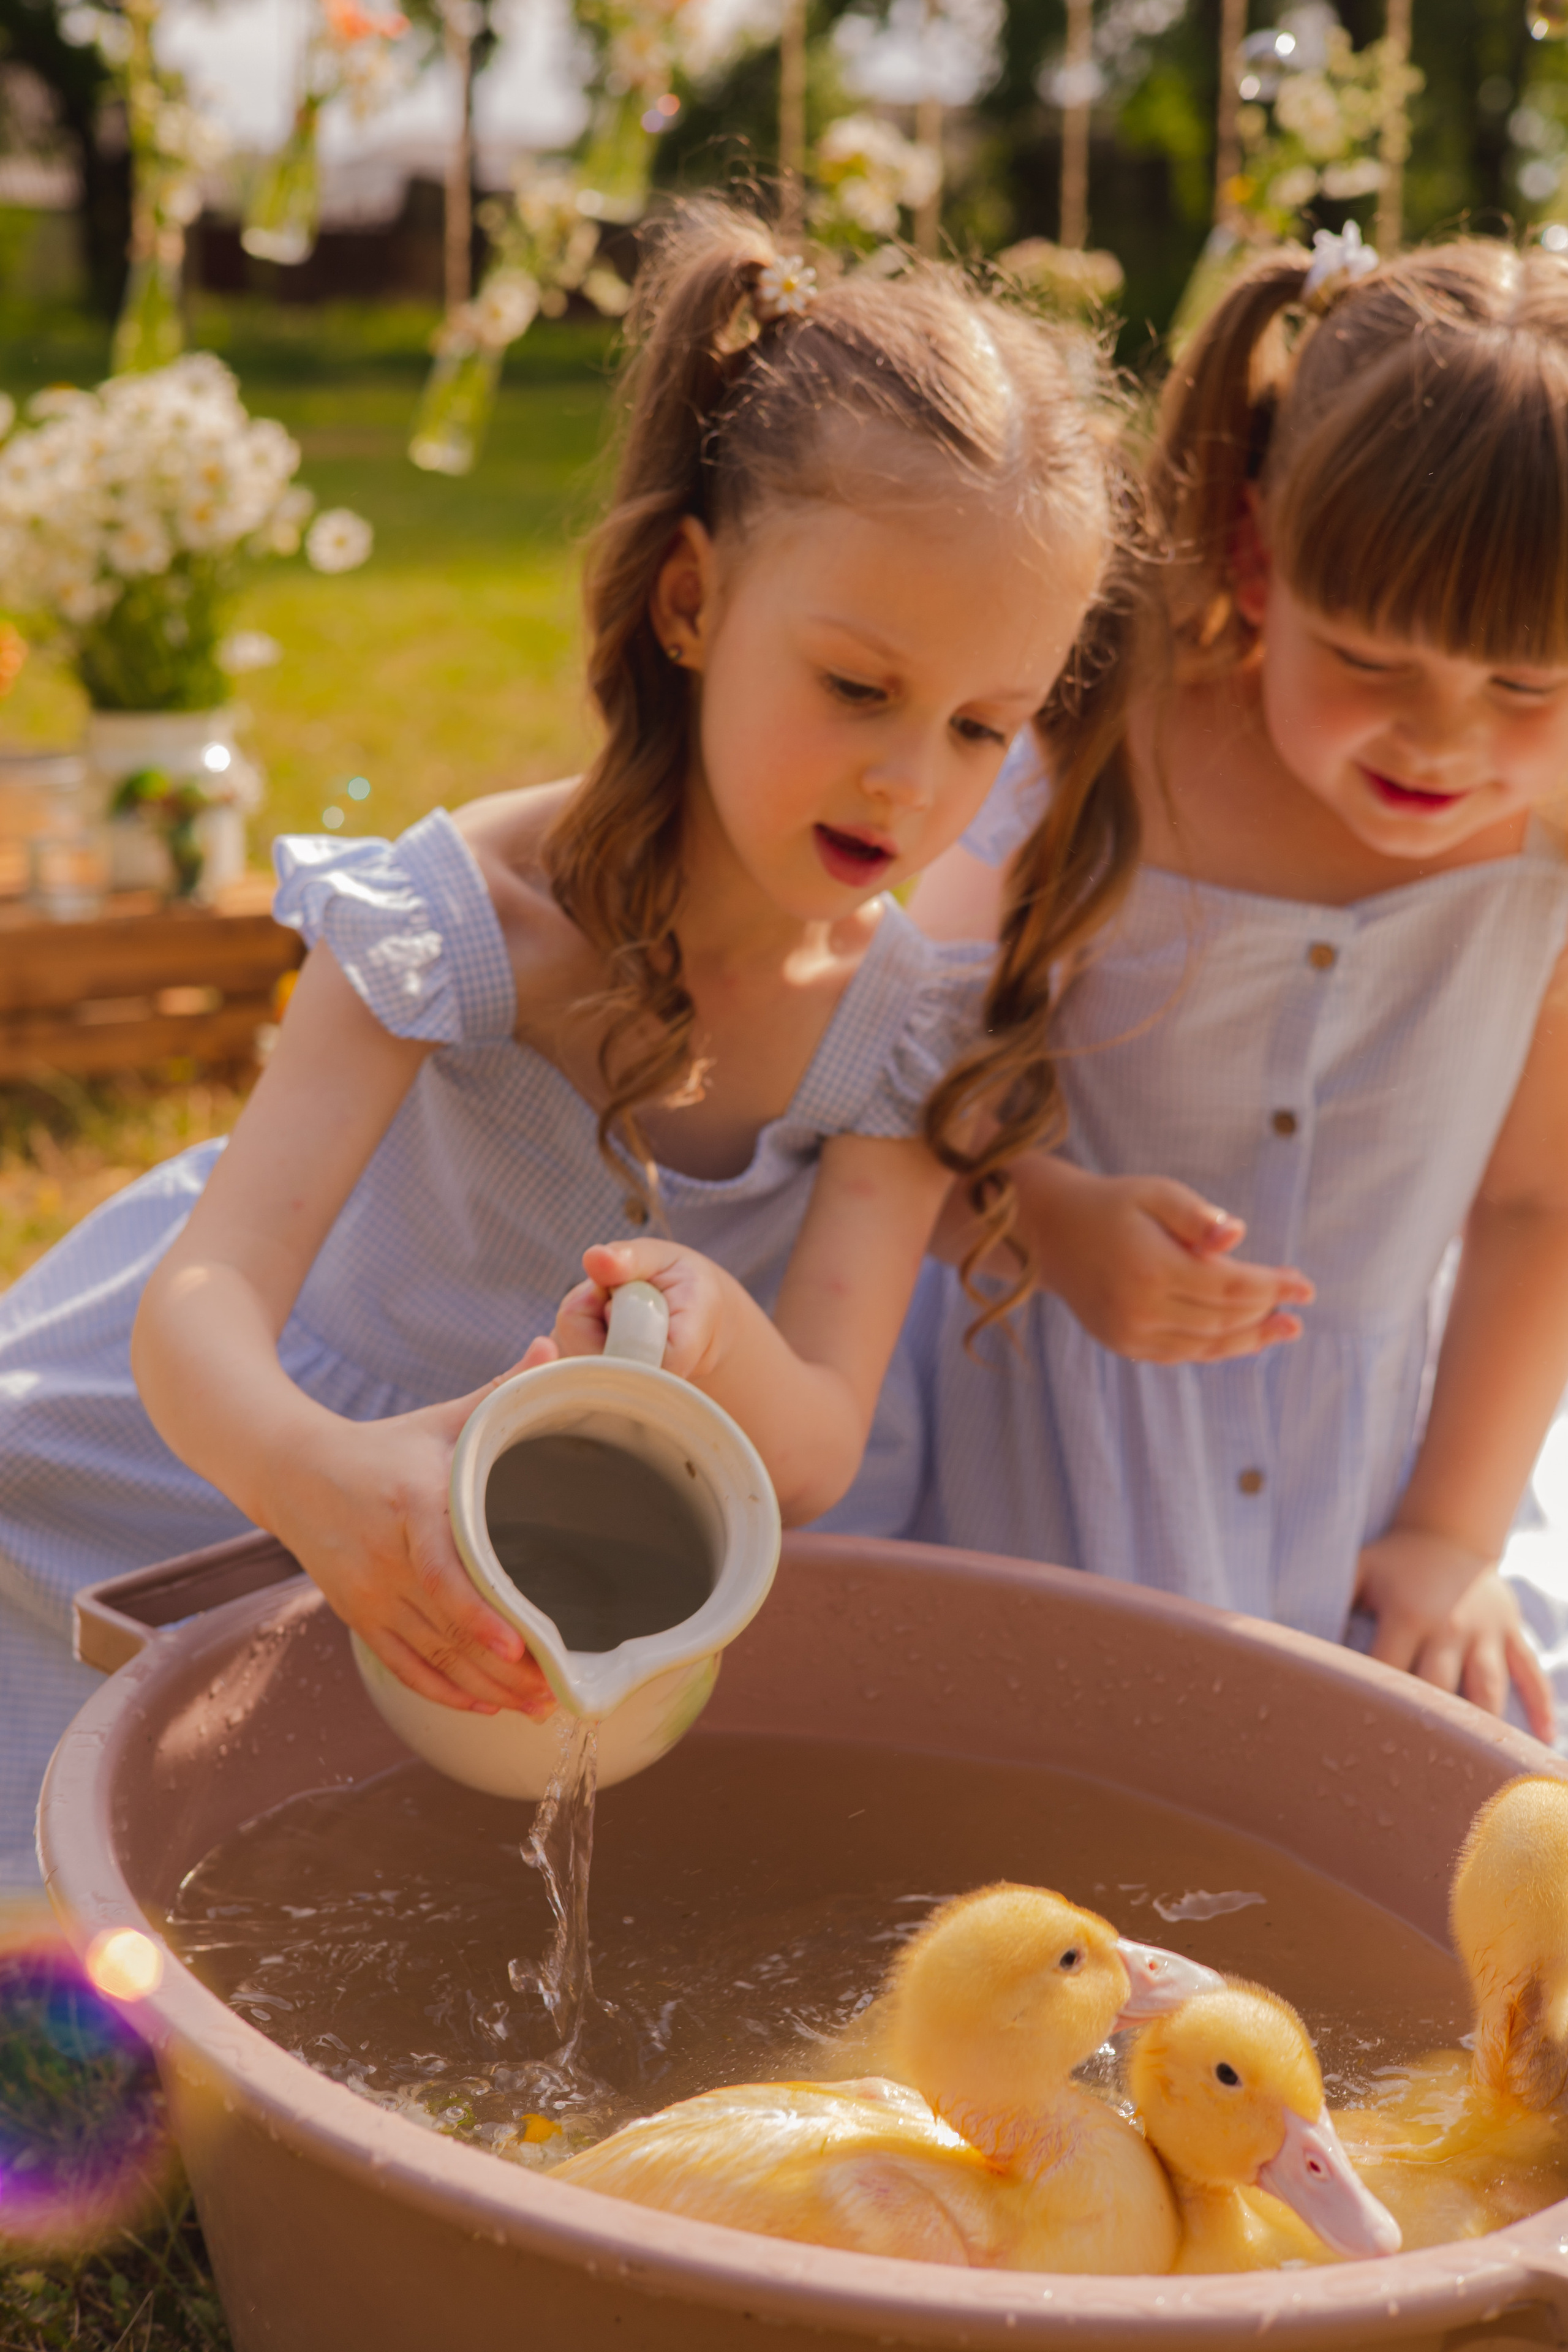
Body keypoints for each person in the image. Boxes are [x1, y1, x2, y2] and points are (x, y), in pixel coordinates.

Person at [0, 203, 1115, 1883]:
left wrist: (718, 1330)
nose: (911, 782)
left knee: (434, 1887)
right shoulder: (465, 919)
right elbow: (208, 1294)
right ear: (690, 601)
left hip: (583, 1520)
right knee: (89, 1837)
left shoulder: (897, 1038)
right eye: (857, 688)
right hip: (273, 1427)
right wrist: (314, 1474)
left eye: (982, 729)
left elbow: (810, 1439)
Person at [895, 233, 1568, 1743]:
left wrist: (1450, 1537)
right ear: (1260, 555)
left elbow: (1533, 1207)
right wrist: (1046, 1216)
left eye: (1523, 689)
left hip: (1368, 1483)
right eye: (1371, 658)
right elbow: (887, 1076)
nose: (1438, 743)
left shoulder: (1543, 857)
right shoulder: (1099, 754)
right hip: (1040, 1463)